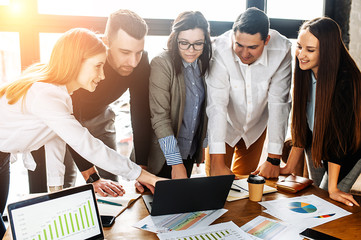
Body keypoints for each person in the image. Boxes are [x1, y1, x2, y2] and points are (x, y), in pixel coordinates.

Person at [0, 28, 162, 238]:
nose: (102, 75)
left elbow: (55, 143)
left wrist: (56, 193)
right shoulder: (46, 95)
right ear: (76, 62)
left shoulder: (58, 93)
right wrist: (149, 177)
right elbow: (88, 145)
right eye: (98, 66)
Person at [29, 9, 152, 195]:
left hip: (101, 115)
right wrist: (91, 176)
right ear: (106, 42)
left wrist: (142, 171)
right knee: (63, 183)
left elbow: (140, 113)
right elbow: (71, 124)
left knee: (112, 181)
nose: (133, 62)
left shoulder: (139, 62)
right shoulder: (82, 57)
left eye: (138, 52)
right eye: (125, 52)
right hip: (64, 117)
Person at [280, 17, 361, 207]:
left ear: (328, 51)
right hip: (316, 142)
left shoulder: (347, 81)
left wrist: (333, 188)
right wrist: (289, 167)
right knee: (315, 196)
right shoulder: (305, 70)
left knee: (325, 200)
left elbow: (338, 138)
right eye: (299, 46)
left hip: (348, 150)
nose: (301, 54)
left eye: (310, 50)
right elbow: (301, 123)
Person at [205, 7, 292, 178]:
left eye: (252, 47)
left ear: (266, 40)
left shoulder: (282, 50)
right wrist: (217, 164)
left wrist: (274, 159)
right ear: (233, 36)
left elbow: (279, 103)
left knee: (244, 191)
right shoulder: (219, 49)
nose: (244, 53)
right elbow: (217, 105)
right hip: (224, 126)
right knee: (215, 183)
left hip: (255, 129)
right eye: (239, 45)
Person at [147, 11, 211, 179]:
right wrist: (176, 163)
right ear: (175, 39)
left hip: (189, 153)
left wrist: (201, 147)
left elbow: (204, 111)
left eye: (198, 44)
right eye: (184, 43)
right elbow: (160, 117)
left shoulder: (204, 65)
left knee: (182, 204)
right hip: (163, 158)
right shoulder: (161, 63)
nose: (191, 50)